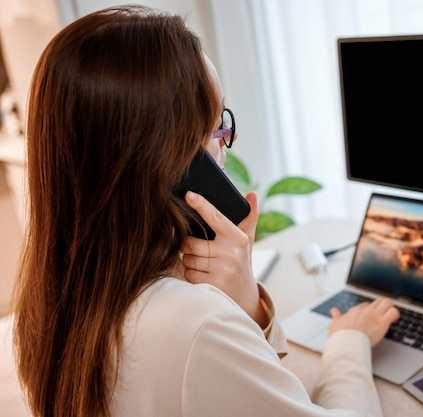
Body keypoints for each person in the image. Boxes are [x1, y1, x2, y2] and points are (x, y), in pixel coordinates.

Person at [12, 5, 400, 417]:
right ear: (175, 161)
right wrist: (347, 343)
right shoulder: (195, 323)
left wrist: (248, 307)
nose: (224, 148)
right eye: (217, 127)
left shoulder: (51, 304)